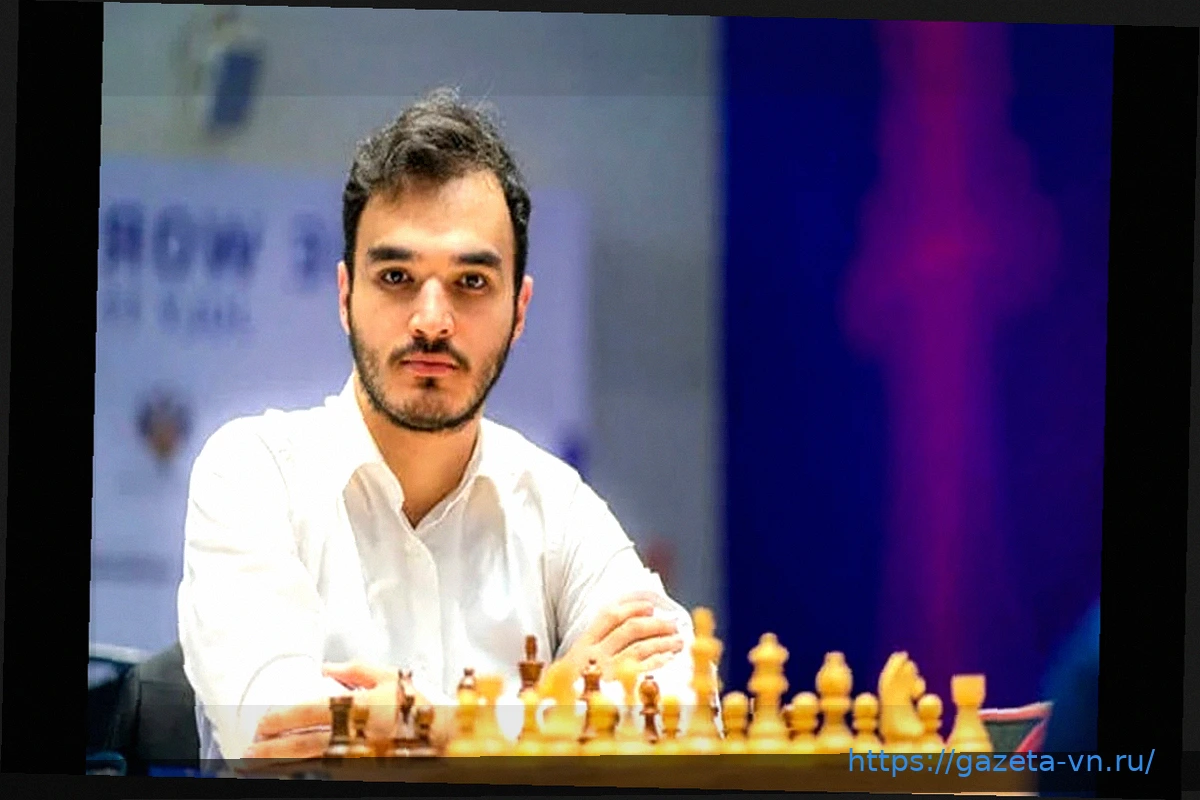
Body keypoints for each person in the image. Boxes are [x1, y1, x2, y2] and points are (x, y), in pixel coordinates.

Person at [176, 88, 696, 764]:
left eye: (471, 282)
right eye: (396, 276)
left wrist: (433, 723)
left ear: (520, 309)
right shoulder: (252, 471)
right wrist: (544, 712)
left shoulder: (556, 506)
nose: (430, 320)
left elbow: (684, 706)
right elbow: (277, 724)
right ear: (345, 296)